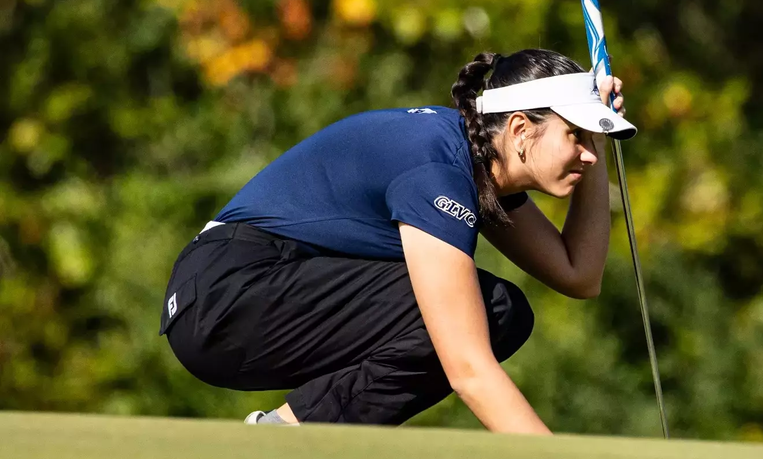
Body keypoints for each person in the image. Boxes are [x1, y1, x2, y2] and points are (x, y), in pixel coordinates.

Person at [158, 49, 635, 434]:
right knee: (487, 310)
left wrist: (602, 131)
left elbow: (579, 274)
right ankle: (288, 432)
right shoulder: (437, 168)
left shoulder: (473, 164)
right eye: (575, 136)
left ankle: (288, 433)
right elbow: (468, 368)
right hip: (225, 295)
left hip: (238, 303)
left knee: (503, 312)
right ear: (519, 130)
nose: (587, 155)